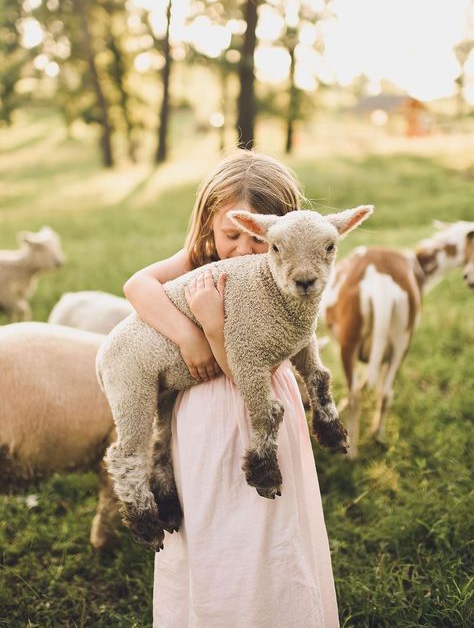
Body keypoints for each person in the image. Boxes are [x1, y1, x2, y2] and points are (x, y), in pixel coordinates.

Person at [123, 150, 340, 628]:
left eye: (259, 238)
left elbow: (246, 366)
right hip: (204, 419)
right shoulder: (199, 260)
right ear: (208, 228)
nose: (244, 248)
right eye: (231, 234)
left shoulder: (285, 279)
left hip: (259, 404)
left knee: (267, 530)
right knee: (212, 523)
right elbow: (137, 285)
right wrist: (186, 335)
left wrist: (214, 328)